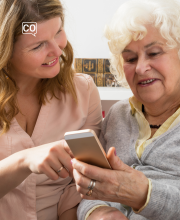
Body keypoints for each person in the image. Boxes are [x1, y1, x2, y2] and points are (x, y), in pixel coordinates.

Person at [72, 0, 180, 219]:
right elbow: (92, 194)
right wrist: (100, 212)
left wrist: (146, 195)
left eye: (154, 53)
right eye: (130, 58)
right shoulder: (117, 115)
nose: (140, 68)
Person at [0, 0, 102, 219]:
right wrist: (24, 161)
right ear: (5, 50)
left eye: (58, 32)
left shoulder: (83, 93)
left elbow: (81, 186)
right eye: (37, 46)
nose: (57, 50)